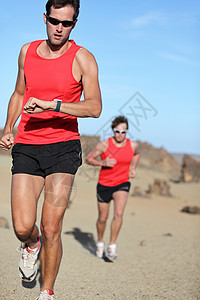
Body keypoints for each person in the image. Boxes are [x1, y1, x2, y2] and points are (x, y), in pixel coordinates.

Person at [0, 0, 102, 299]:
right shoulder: (27, 52)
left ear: (74, 24)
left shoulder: (84, 59)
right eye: (55, 21)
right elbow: (19, 92)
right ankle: (31, 245)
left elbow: (95, 107)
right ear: (45, 18)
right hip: (28, 145)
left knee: (52, 226)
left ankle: (47, 292)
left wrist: (53, 104)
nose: (59, 28)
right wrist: (8, 127)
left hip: (63, 149)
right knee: (22, 226)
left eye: (66, 23)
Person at [86, 116, 140, 260]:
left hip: (122, 183)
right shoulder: (104, 145)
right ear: (113, 131)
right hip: (104, 185)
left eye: (124, 132)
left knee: (119, 213)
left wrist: (133, 168)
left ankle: (112, 246)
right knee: (103, 218)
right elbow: (88, 159)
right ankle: (100, 242)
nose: (120, 135)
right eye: (117, 131)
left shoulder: (133, 145)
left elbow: (137, 154)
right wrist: (103, 162)